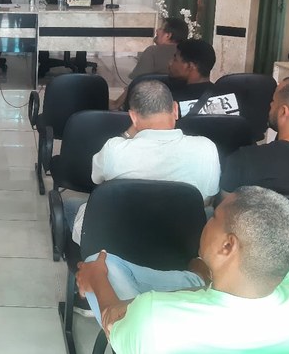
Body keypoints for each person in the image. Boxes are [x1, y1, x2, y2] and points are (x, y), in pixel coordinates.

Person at [76, 186, 289, 353]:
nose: (207, 222)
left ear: (227, 246)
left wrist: (96, 278)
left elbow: (112, 321)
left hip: (144, 327)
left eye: (214, 217)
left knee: (100, 264)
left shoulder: (154, 320)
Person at [69, 80, 219, 245]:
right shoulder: (207, 148)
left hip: (121, 242)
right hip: (182, 243)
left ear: (133, 117)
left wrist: (128, 133)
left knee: (71, 207)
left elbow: (97, 179)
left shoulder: (115, 149)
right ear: (175, 110)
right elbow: (207, 199)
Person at [39, 0, 104, 76]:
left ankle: (81, 66)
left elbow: (99, 0)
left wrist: (78, 2)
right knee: (43, 29)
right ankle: (44, 64)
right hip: (58, 20)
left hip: (78, 20)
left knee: (83, 31)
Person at [111, 17, 188, 109]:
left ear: (168, 36)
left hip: (150, 105)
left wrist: (116, 103)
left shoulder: (152, 51)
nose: (157, 30)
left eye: (160, 28)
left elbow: (137, 82)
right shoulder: (187, 55)